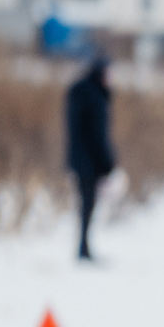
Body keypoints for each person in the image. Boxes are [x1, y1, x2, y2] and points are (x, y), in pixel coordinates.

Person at [63, 55, 116, 263]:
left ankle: (83, 247)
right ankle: (83, 249)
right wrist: (108, 164)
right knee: (88, 206)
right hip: (91, 163)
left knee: (85, 205)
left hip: (77, 160)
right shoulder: (95, 98)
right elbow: (98, 136)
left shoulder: (78, 93)